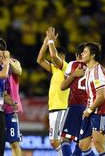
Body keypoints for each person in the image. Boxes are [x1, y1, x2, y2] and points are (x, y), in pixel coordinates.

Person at [37, 27, 69, 155]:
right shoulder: (55, 69)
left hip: (61, 108)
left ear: (63, 57)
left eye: (56, 58)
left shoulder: (65, 67)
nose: (52, 60)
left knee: (57, 140)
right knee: (56, 141)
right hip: (54, 109)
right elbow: (39, 60)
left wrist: (51, 41)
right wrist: (45, 43)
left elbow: (53, 56)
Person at [78, 42, 105, 156]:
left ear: (92, 56)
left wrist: (89, 110)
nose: (82, 53)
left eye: (85, 52)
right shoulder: (89, 70)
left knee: (98, 145)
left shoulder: (97, 71)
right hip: (90, 110)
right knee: (83, 144)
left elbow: (101, 96)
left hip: (99, 111)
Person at [59, 43, 88, 156]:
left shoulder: (73, 64)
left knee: (65, 140)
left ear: (77, 55)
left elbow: (63, 86)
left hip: (75, 106)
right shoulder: (94, 67)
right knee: (81, 141)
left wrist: (74, 75)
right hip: (90, 108)